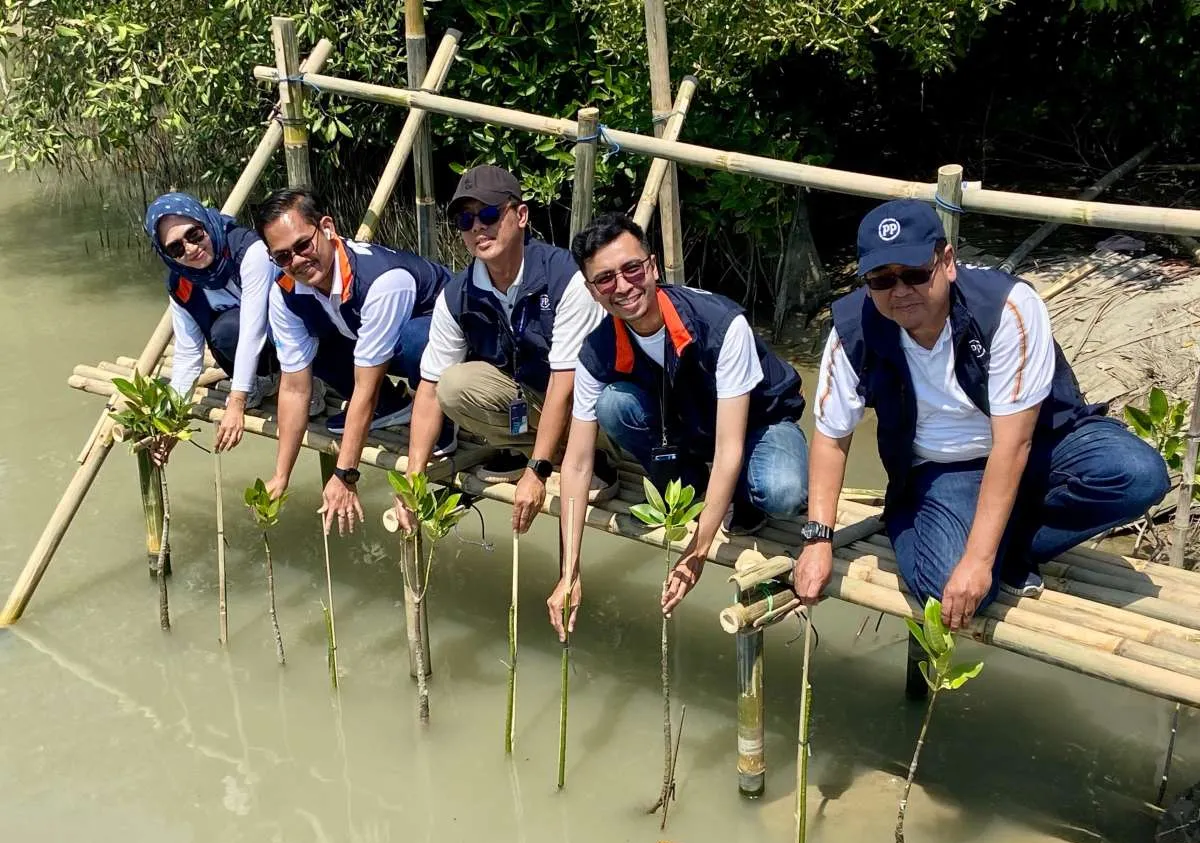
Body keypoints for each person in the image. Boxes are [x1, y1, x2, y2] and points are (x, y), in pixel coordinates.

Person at [793, 199, 1171, 630]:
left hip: (1039, 442)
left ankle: (1008, 547)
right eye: (882, 280)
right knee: (944, 593)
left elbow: (1014, 444)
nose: (900, 291)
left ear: (947, 262)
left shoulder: (1005, 308)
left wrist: (979, 559)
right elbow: (831, 438)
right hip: (943, 468)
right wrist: (818, 541)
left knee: (1136, 474)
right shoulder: (852, 329)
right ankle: (915, 518)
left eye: (914, 274)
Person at [546, 213, 810, 638]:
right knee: (613, 404)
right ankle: (696, 484)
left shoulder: (720, 324)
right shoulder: (596, 348)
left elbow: (730, 447)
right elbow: (576, 464)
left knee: (782, 492)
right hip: (687, 429)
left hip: (757, 425)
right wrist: (569, 571)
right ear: (592, 291)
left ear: (652, 267)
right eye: (606, 279)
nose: (623, 286)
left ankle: (737, 498)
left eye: (632, 269)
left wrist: (697, 551)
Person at [394, 165, 619, 537]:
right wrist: (413, 478)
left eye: (488, 214)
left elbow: (565, 383)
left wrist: (537, 473)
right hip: (529, 398)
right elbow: (430, 390)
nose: (477, 228)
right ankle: (536, 452)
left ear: (522, 215)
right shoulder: (457, 294)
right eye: (465, 220)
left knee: (603, 398)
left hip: (591, 407)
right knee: (453, 384)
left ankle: (586, 457)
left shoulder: (567, 278)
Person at [255, 189, 452, 534]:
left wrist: (345, 474)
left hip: (446, 346)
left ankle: (446, 423)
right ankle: (393, 407)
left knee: (415, 341)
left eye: (303, 245)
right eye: (283, 256)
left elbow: (365, 388)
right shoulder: (284, 292)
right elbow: (295, 387)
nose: (297, 261)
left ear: (327, 228)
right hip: (371, 340)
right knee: (308, 343)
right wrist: (281, 475)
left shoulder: (381, 281)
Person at [145, 192, 283, 461]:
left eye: (194, 235)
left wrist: (236, 401)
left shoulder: (249, 251)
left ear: (205, 223)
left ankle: (306, 380)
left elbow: (253, 330)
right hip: (249, 349)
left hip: (294, 338)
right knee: (223, 332)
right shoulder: (181, 283)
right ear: (167, 255)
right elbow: (188, 354)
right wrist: (171, 421)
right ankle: (261, 381)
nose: (190, 248)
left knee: (236, 326)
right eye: (176, 248)